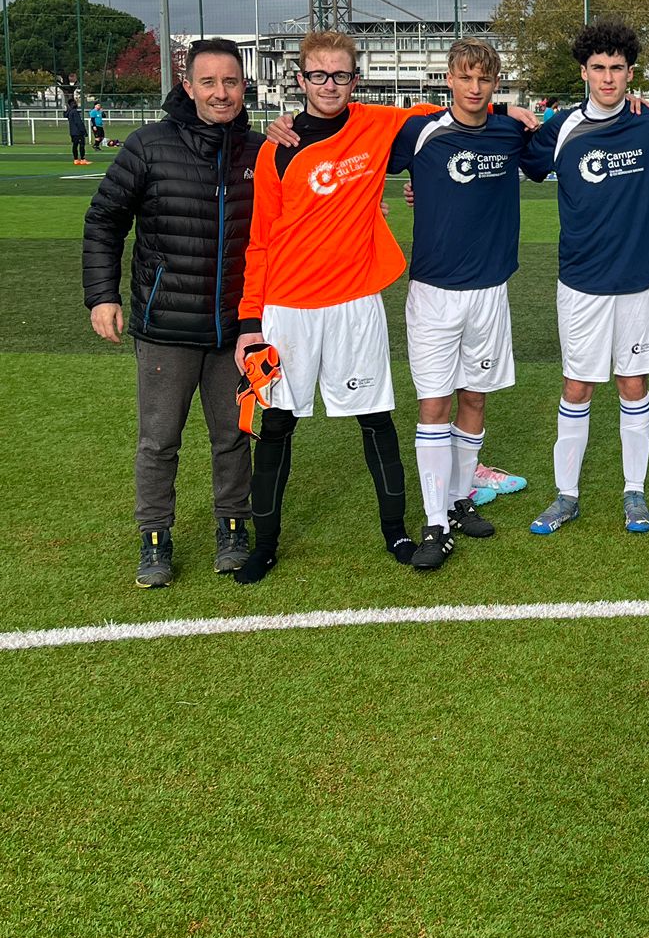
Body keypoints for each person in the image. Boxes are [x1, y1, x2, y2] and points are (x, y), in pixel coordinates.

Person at [232, 32, 433, 583]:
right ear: (299, 80)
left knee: (375, 420)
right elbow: (259, 241)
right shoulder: (278, 147)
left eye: (340, 75)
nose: (329, 85)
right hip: (286, 309)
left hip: (354, 305)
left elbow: (450, 108)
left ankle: (396, 532)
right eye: (317, 75)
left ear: (355, 79)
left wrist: (511, 109)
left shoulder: (376, 124)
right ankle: (265, 543)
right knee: (275, 425)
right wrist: (251, 322)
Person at [81, 39, 258, 585]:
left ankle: (233, 528)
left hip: (239, 330)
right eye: (209, 82)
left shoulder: (261, 151)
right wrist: (102, 295)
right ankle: (155, 539)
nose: (221, 92)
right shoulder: (147, 146)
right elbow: (104, 220)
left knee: (232, 436)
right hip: (166, 327)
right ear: (188, 86)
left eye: (230, 82)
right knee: (159, 441)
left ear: (243, 86)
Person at [387, 38, 535, 572]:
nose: (475, 89)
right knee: (435, 404)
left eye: (485, 80)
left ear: (495, 84)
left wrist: (513, 113)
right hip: (433, 293)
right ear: (448, 79)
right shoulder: (419, 131)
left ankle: (458, 500)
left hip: (490, 290)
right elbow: (360, 146)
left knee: (475, 397)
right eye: (465, 78)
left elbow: (552, 141)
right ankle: (434, 522)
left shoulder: (508, 130)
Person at [521, 21, 649, 536]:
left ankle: (634, 492)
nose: (608, 78)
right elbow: (502, 154)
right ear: (583, 72)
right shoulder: (560, 127)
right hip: (581, 280)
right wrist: (507, 111)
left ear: (631, 73)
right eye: (598, 69)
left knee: (632, 383)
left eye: (617, 69)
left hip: (638, 279)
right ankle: (567, 495)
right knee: (577, 385)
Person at [66, 96, 89, 166]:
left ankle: (76, 159)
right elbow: (79, 123)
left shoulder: (69, 113)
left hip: (73, 132)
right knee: (81, 145)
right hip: (78, 132)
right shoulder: (75, 112)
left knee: (75, 145)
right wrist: (84, 131)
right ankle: (82, 159)